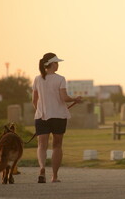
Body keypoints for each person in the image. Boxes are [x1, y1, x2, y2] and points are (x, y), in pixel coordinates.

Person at [32, 53, 82, 183]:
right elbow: (64, 98)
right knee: (57, 145)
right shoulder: (60, 79)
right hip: (58, 116)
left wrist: (40, 110)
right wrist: (75, 99)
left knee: (42, 145)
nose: (58, 65)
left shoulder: (37, 79)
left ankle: (42, 168)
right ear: (52, 64)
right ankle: (54, 176)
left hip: (41, 116)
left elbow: (34, 100)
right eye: (56, 63)